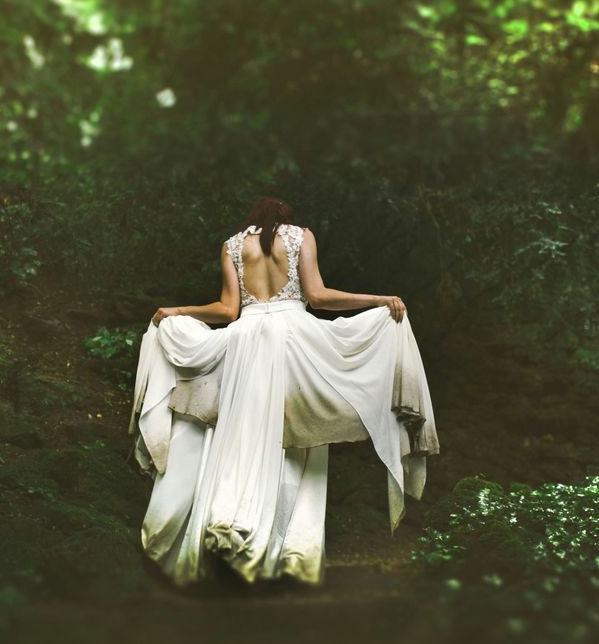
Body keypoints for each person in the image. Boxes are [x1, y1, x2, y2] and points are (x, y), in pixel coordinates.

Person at [128, 196, 439, 586]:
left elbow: (227, 311)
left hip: (243, 342)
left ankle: (225, 526)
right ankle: (288, 552)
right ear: (286, 218)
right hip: (293, 341)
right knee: (300, 436)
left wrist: (177, 312)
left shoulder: (232, 244)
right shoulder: (299, 236)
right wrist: (378, 300)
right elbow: (318, 297)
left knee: (237, 434)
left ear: (252, 219)